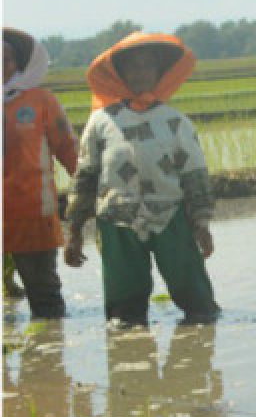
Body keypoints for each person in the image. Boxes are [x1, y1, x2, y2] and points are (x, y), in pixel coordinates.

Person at [63, 32, 220, 326]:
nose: (141, 73)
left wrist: (202, 224)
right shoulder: (101, 123)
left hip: (170, 215)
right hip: (117, 219)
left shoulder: (174, 122)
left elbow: (194, 176)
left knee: (196, 299)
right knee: (124, 311)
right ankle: (128, 348)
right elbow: (85, 176)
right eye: (133, 66)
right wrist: (73, 230)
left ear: (159, 73)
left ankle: (201, 340)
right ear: (119, 74)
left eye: (148, 66)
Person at [3, 28, 79, 318]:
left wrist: (93, 191)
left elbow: (67, 149)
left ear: (20, 65)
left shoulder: (40, 102)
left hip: (32, 210)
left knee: (44, 296)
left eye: (5, 60)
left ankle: (49, 352)